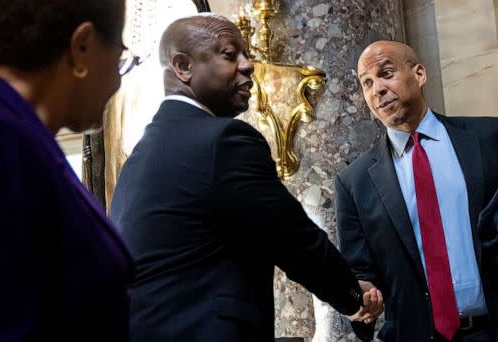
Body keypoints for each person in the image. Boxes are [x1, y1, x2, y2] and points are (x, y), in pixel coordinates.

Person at [109, 14, 382, 342]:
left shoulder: (141, 153)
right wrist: (354, 298)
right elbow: (291, 237)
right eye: (229, 54)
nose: (249, 64)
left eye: (246, 53)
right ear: (182, 66)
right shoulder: (223, 140)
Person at [335, 40, 498, 342]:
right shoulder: (353, 182)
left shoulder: (491, 138)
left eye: (386, 73)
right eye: (367, 83)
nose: (378, 89)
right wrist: (359, 297)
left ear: (420, 74)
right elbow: (360, 271)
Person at [0, 0, 133, 340]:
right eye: (120, 60)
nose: (117, 80)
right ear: (82, 48)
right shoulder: (4, 139)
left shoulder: (21, 135)